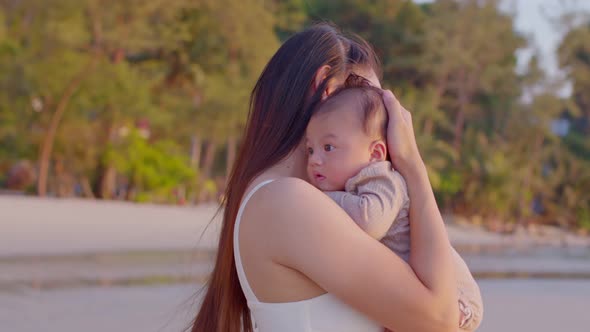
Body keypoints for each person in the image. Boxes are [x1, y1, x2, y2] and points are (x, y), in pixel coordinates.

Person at [191, 23, 460, 332]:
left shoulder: (279, 199)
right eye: (371, 100)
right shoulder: (287, 202)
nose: (385, 125)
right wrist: (413, 165)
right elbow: (440, 322)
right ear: (325, 87)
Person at [305, 82, 483, 331]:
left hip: (459, 298)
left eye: (328, 147)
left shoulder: (383, 179)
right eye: (310, 149)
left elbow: (371, 219)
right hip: (419, 287)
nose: (314, 160)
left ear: (375, 153)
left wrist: (315, 197)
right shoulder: (353, 186)